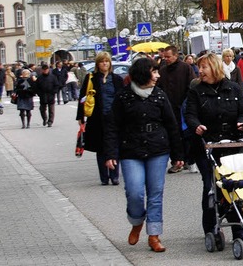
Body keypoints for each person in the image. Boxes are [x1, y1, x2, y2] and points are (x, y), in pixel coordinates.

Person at [104, 57, 184, 253]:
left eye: (158, 72)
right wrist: (110, 153)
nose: (157, 75)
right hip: (131, 150)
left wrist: (178, 154)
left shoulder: (159, 95)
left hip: (158, 149)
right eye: (154, 71)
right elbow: (112, 126)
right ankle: (137, 221)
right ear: (143, 73)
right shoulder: (123, 96)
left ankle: (154, 235)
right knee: (135, 192)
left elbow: (172, 126)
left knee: (155, 194)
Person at [185, 52, 243, 240]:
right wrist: (196, 126)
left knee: (234, 186)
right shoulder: (196, 90)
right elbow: (190, 115)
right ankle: (211, 227)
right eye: (199, 67)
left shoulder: (234, 88)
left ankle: (239, 228)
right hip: (207, 146)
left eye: (204, 67)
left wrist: (242, 123)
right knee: (211, 186)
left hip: (232, 144)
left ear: (214, 67)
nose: (200, 71)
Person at [77, 52, 125, 186]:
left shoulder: (116, 79)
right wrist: (80, 116)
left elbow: (122, 98)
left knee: (115, 146)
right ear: (97, 64)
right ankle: (104, 177)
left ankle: (114, 175)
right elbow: (83, 97)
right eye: (102, 61)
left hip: (114, 117)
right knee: (101, 147)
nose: (104, 63)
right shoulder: (91, 78)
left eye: (107, 61)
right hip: (97, 117)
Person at [156, 45, 197, 174]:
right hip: (168, 108)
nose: (166, 59)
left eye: (168, 57)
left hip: (183, 107)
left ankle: (187, 159)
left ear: (175, 55)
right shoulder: (162, 71)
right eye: (165, 57)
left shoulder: (186, 68)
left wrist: (187, 103)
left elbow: (191, 86)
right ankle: (176, 161)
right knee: (172, 135)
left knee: (186, 135)